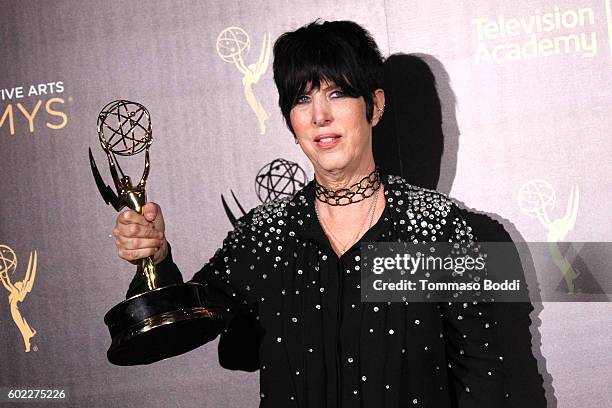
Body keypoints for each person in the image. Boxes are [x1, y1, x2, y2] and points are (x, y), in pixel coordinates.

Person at [113, 20, 540, 407]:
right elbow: (179, 329)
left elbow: (493, 385)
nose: (320, 115)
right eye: (302, 99)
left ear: (374, 105)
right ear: (290, 121)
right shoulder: (264, 235)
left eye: (337, 93)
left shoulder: (442, 231)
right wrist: (156, 258)